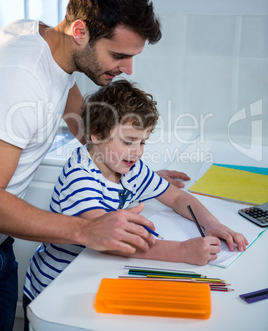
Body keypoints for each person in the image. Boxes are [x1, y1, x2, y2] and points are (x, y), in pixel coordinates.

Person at [0, 0, 189, 330]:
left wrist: (127, 166)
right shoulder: (21, 80)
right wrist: (86, 232)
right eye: (118, 54)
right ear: (80, 31)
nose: (127, 68)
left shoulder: (48, 45)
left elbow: (84, 123)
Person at [23, 79, 248, 327]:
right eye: (128, 141)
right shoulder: (80, 180)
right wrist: (182, 251)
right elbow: (112, 243)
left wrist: (211, 223)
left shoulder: (128, 167)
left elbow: (176, 196)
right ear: (96, 134)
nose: (137, 152)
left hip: (93, 278)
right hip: (55, 292)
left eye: (142, 142)